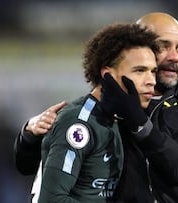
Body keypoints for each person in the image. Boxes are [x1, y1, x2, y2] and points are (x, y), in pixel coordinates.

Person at [14, 12, 178, 203]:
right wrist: (29, 134)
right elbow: (34, 168)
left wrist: (137, 121)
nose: (174, 56)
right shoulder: (98, 111)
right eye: (163, 46)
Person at [15, 23, 159, 202]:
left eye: (153, 72)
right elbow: (52, 200)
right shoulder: (79, 123)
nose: (151, 81)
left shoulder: (122, 121)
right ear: (108, 75)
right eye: (140, 71)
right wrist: (28, 133)